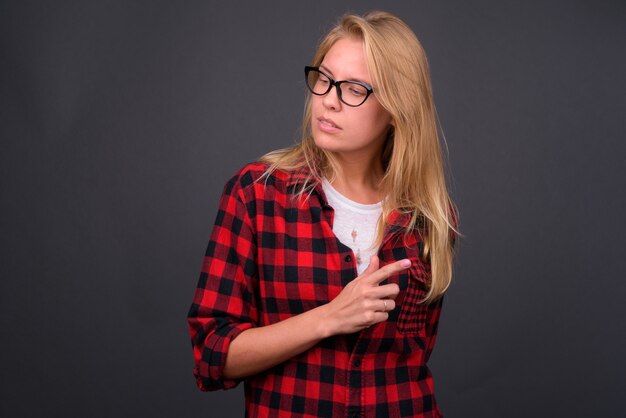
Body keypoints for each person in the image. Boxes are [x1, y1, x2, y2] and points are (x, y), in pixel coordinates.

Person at [188, 10, 457, 418]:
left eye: (353, 89)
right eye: (325, 80)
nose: (329, 99)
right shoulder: (258, 196)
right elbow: (212, 354)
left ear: (396, 109)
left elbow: (413, 364)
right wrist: (330, 317)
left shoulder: (429, 220)